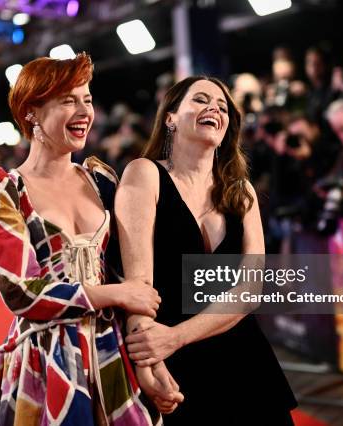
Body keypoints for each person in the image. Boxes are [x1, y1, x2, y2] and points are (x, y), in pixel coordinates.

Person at [0, 53, 180, 426]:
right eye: (68, 100)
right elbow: (22, 291)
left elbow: (132, 275)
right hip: (47, 362)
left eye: (88, 99)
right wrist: (115, 294)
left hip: (115, 358)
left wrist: (150, 363)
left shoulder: (102, 181)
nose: (84, 112)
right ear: (31, 111)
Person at [115, 76, 297, 424]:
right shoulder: (144, 174)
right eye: (200, 99)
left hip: (244, 357)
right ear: (170, 117)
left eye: (223, 106)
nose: (214, 107)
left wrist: (176, 338)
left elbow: (251, 289)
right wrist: (149, 362)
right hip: (175, 366)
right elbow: (138, 287)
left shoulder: (241, 191)